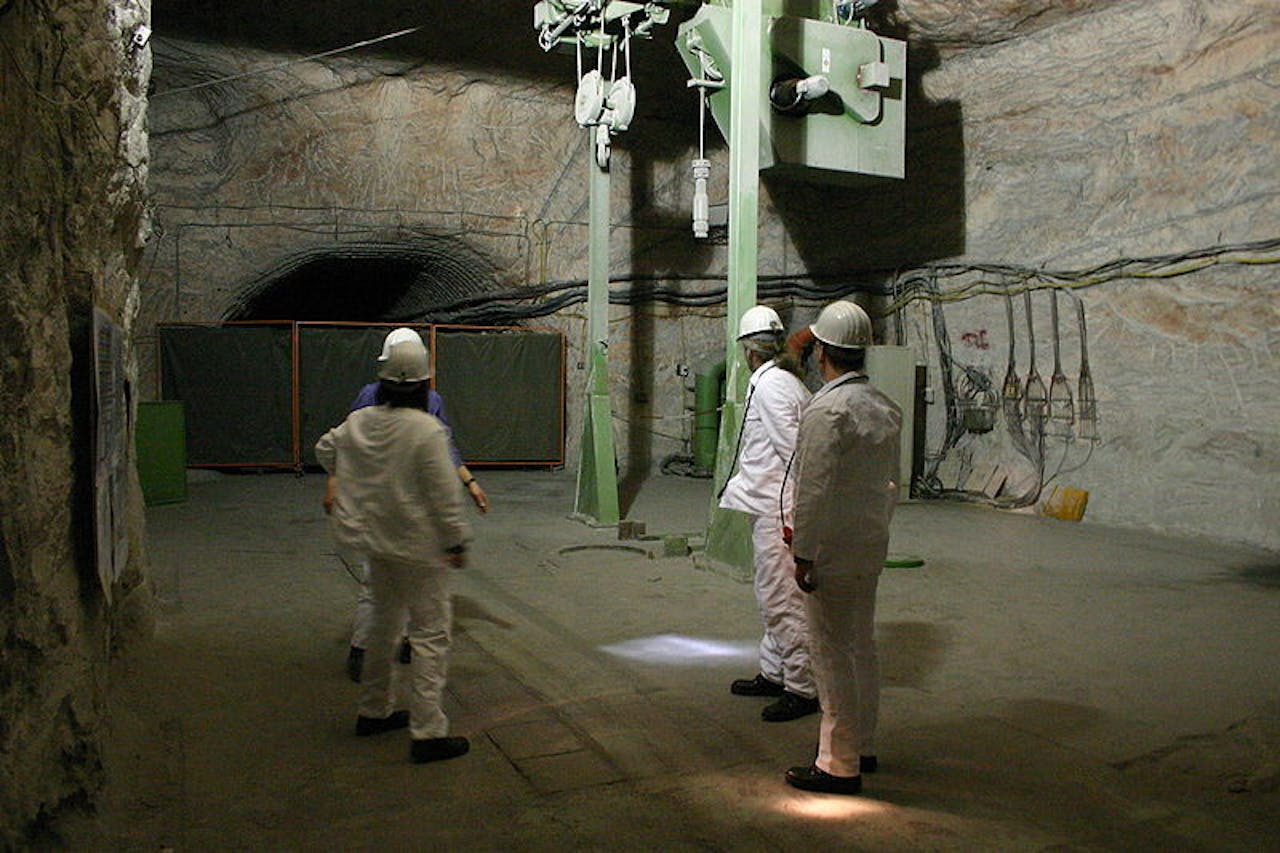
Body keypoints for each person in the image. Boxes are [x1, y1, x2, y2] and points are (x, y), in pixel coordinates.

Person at [316, 333, 473, 764]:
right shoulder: (427, 430)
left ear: (382, 378)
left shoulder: (360, 422)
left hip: (376, 542)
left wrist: (356, 472)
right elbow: (444, 497)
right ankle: (427, 733)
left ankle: (373, 711)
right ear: (425, 382)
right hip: (421, 549)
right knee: (429, 637)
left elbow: (324, 449)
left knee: (383, 631)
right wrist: (456, 540)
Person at [785, 300, 902, 795]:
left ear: (822, 353)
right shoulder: (883, 406)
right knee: (862, 648)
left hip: (830, 551)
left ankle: (837, 764)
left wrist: (804, 553)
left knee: (830, 654)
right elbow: (892, 485)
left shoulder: (827, 410)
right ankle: (863, 745)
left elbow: (812, 490)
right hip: (868, 546)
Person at [335, 327, 489, 682]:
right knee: (383, 586)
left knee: (390, 584)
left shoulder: (431, 404)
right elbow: (346, 444)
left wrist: (470, 482)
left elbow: (445, 450)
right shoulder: (369, 400)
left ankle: (395, 651)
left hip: (398, 510)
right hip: (393, 507)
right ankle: (366, 652)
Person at [719, 305, 819, 722]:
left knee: (781, 598)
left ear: (747, 350)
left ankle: (802, 686)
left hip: (781, 510)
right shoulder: (779, 381)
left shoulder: (773, 386)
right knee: (772, 595)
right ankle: (774, 671)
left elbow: (796, 451)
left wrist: (798, 518)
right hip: (772, 504)